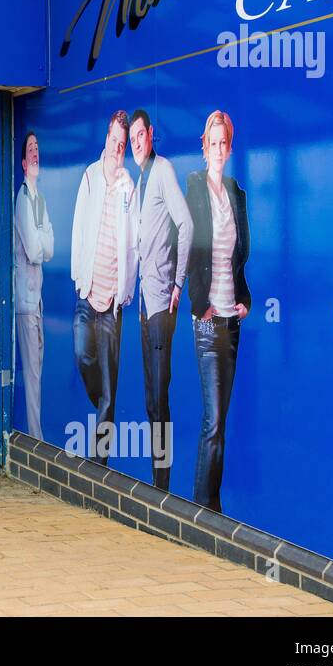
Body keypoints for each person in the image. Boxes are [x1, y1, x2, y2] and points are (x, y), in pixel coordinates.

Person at [184, 110, 250, 512]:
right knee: (213, 419)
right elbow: (190, 249)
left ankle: (211, 503)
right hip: (208, 321)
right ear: (203, 147)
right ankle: (202, 508)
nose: (219, 149)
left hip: (232, 319)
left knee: (221, 418)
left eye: (225, 142)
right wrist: (200, 305)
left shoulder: (235, 193)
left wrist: (245, 300)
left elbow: (241, 254)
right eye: (213, 143)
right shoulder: (195, 189)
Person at [130, 110, 193, 489]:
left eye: (140, 135)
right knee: (150, 400)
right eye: (132, 138)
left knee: (159, 394)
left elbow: (186, 224)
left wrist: (178, 283)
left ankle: (162, 485)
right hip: (143, 303)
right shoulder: (140, 180)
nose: (136, 142)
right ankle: (158, 480)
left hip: (160, 305)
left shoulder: (163, 170)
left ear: (152, 134)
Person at [71, 110, 138, 463]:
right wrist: (78, 277)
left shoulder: (129, 187)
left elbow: (134, 240)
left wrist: (126, 290)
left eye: (122, 144)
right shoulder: (90, 177)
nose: (116, 148)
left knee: (110, 386)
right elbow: (79, 226)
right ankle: (99, 403)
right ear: (106, 138)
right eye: (113, 141)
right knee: (83, 355)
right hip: (88, 291)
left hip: (113, 299)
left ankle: (100, 461)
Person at [14, 131, 54, 438]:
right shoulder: (23, 199)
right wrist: (41, 239)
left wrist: (41, 240)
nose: (36, 152)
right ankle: (35, 438)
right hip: (25, 303)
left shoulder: (39, 201)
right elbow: (35, 248)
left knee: (38, 374)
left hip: (36, 302)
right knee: (32, 374)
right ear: (24, 162)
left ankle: (35, 434)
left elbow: (50, 249)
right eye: (31, 149)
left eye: (38, 147)